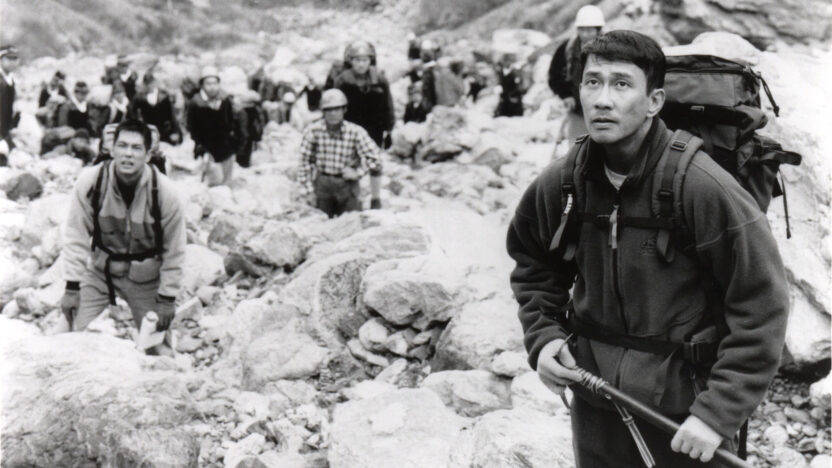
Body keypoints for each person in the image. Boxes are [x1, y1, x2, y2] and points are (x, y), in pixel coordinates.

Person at [507, 30, 788, 467]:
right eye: (592, 82)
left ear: (654, 101)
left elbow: (761, 303)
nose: (602, 100)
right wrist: (544, 339)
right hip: (595, 406)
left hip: (684, 417)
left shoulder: (702, 187)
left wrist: (717, 414)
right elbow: (534, 265)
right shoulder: (563, 182)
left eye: (621, 84)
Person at [60, 119, 185, 353]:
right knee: (65, 335)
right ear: (111, 149)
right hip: (100, 273)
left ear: (148, 155)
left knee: (159, 352)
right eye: (122, 146)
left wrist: (167, 298)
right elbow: (76, 236)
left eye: (136, 148)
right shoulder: (91, 182)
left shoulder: (165, 192)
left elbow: (175, 250)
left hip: (146, 279)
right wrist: (71, 287)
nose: (128, 154)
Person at [297, 89, 382, 218]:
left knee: (351, 223)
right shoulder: (313, 131)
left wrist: (358, 172)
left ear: (344, 109)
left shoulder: (355, 132)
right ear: (323, 111)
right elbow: (304, 162)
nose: (333, 113)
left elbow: (376, 158)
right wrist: (308, 191)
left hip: (347, 185)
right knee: (321, 223)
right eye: (328, 110)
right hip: (323, 184)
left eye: (337, 109)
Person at [333, 41, 392, 209]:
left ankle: (376, 198)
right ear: (350, 61)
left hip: (374, 126)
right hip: (351, 125)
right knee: (350, 162)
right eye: (357, 60)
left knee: (375, 161)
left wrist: (389, 129)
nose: (361, 64)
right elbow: (335, 105)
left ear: (370, 61)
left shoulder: (379, 79)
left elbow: (388, 105)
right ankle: (352, 198)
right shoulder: (343, 80)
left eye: (365, 60)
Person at [548, 5, 604, 143]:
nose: (585, 35)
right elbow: (554, 76)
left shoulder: (611, 49)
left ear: (598, 30)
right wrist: (565, 95)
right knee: (577, 148)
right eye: (581, 30)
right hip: (578, 111)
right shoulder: (567, 49)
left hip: (604, 111)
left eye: (589, 30)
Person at [187, 66, 237, 186]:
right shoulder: (196, 102)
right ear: (202, 85)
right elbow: (192, 127)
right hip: (206, 146)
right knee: (213, 179)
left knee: (226, 180)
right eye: (208, 84)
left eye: (215, 83)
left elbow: (231, 120)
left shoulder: (224, 99)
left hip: (225, 145)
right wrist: (200, 146)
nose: (212, 87)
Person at [131, 74, 181, 145]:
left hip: (165, 131)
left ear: (155, 83)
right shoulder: (139, 97)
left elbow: (172, 115)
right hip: (148, 130)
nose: (150, 86)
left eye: (151, 83)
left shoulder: (164, 96)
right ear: (144, 84)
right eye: (147, 84)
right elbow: (133, 112)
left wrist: (175, 131)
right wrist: (138, 126)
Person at [0, 45, 20, 164]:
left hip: (5, 130)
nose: (13, 62)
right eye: (9, 58)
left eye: (15, 58)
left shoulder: (10, 79)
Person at [494, 52, 530, 117]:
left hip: (514, 101)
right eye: (506, 61)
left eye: (510, 61)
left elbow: (522, 86)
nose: (507, 63)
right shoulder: (500, 72)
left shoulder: (516, 72)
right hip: (504, 101)